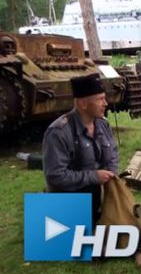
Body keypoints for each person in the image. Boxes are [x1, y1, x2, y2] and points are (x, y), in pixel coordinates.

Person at [43, 73, 119, 226]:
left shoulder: (103, 124)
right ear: (83, 104)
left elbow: (112, 154)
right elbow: (55, 176)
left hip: (97, 201)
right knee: (72, 248)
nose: (105, 103)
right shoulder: (58, 132)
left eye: (105, 98)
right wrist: (94, 177)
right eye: (99, 99)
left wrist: (112, 174)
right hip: (68, 206)